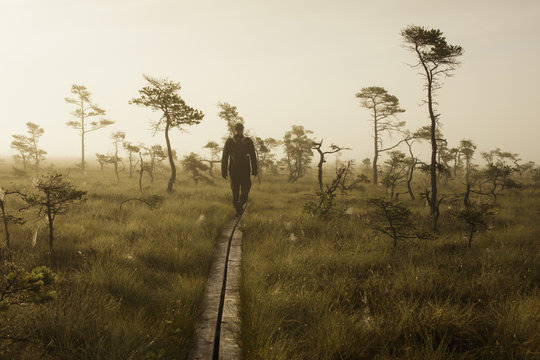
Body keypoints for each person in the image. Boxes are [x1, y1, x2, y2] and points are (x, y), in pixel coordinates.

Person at [221, 123, 258, 216]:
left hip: (233, 170)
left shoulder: (229, 141)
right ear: (243, 130)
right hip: (245, 170)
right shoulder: (248, 141)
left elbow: (225, 157)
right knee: (246, 187)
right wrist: (254, 171)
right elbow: (253, 156)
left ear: (235, 130)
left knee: (235, 189)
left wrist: (223, 171)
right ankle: (241, 202)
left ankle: (237, 207)